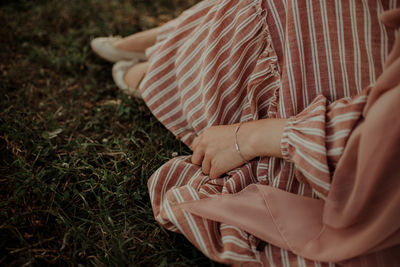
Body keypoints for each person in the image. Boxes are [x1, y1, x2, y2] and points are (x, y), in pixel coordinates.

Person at [91, 0, 400, 265]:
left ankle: (168, 61)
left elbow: (383, 147)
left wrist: (250, 137)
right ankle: (176, 38)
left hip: (362, 155)